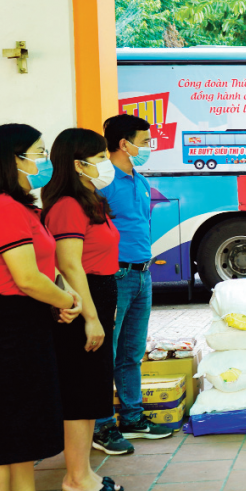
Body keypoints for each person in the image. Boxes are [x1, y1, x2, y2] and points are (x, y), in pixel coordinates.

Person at [0, 124, 80, 491]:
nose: (44, 162)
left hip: (32, 326)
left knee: (25, 429)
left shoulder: (24, 208)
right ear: (13, 158)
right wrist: (67, 299)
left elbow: (42, 269)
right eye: (37, 152)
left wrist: (60, 299)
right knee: (0, 433)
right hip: (8, 331)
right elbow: (25, 278)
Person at [42, 128, 125, 491]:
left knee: (92, 389)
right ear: (77, 163)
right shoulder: (66, 207)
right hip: (82, 301)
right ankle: (75, 478)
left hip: (99, 294)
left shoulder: (89, 200)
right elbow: (69, 265)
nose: (105, 163)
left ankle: (84, 472)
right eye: (99, 157)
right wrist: (89, 317)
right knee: (80, 391)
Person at [92, 114, 175, 456]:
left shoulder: (138, 180)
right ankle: (101, 425)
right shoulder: (102, 183)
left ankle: (132, 417)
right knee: (106, 353)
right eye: (144, 141)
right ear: (124, 144)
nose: (149, 147)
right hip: (115, 275)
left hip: (142, 273)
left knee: (131, 351)